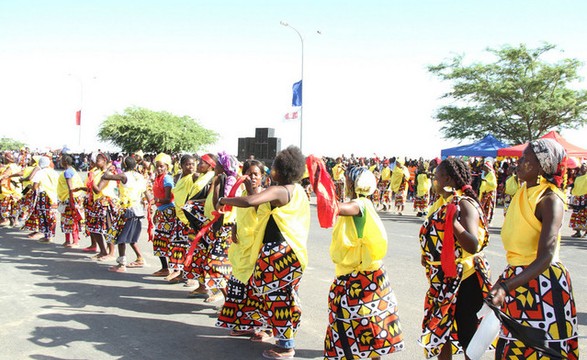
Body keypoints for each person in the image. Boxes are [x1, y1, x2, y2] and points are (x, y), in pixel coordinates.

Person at [488, 139, 579, 359]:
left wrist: (506, 286)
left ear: (542, 166)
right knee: (511, 350)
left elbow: (546, 256)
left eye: (525, 160)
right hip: (518, 281)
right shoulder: (522, 193)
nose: (518, 164)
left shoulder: (550, 200)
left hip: (544, 285)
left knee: (543, 351)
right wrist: (507, 284)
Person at [217, 146, 309, 360]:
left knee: (278, 299)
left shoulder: (281, 190)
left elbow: (250, 202)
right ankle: (270, 332)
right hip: (291, 252)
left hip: (278, 253)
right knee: (276, 296)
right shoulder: (298, 191)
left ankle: (286, 346)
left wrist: (224, 201)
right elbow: (259, 208)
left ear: (279, 170)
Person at [324, 166, 404, 359]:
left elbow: (336, 209)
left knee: (356, 324)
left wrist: (323, 191)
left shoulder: (360, 204)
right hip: (370, 274)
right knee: (371, 323)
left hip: (359, 278)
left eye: (347, 181)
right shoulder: (365, 203)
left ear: (353, 183)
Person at [419, 157, 492, 359]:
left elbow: (472, 244)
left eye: (437, 178)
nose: (434, 182)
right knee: (441, 332)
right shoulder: (442, 203)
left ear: (449, 179)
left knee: (468, 335)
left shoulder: (465, 204)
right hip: (442, 278)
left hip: (465, 278)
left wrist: (454, 223)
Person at [216, 159, 273, 342]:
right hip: (242, 249)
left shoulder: (263, 195)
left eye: (256, 174)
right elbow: (240, 213)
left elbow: (251, 204)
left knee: (260, 291)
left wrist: (227, 198)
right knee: (241, 288)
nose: (253, 177)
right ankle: (245, 325)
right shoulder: (241, 193)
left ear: (262, 177)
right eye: (249, 173)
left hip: (257, 249)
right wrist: (234, 227)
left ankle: (267, 328)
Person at [102, 156, 149, 272]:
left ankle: (122, 264)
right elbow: (146, 193)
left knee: (121, 237)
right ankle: (140, 258)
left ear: (125, 165)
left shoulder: (124, 176)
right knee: (132, 236)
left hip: (127, 209)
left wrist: (108, 167)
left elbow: (105, 176)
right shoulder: (140, 177)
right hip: (137, 210)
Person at [85, 152, 119, 259]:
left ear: (104, 161)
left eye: (98, 160)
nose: (96, 162)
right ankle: (103, 251)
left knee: (108, 228)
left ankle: (111, 252)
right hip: (97, 203)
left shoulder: (108, 173)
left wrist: (91, 180)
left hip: (106, 203)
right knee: (94, 228)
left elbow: (97, 189)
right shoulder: (98, 172)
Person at [24, 156, 59, 243]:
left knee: (44, 216)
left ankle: (47, 236)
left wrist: (30, 187)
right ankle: (50, 235)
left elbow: (35, 186)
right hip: (54, 196)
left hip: (44, 196)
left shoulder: (40, 173)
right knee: (51, 216)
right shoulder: (55, 173)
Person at [151, 153, 176, 277]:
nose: (159, 168)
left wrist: (156, 201)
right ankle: (165, 268)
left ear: (167, 166)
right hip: (162, 211)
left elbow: (168, 198)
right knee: (160, 241)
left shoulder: (167, 179)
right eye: (157, 166)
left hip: (168, 212)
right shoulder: (158, 178)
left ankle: (173, 270)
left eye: (162, 166)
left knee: (167, 240)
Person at [56, 154, 86, 248]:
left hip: (69, 198)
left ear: (64, 161)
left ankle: (74, 241)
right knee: (69, 220)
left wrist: (71, 201)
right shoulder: (73, 170)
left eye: (61, 160)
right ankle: (68, 240)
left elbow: (70, 188)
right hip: (71, 198)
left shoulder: (67, 172)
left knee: (70, 220)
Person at [569, 163, 587, 238]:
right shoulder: (578, 178)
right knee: (577, 215)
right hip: (577, 198)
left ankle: (586, 232)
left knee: (585, 215)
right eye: (582, 167)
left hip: (585, 198)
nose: (583, 168)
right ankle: (578, 231)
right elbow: (575, 187)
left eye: (584, 167)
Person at [478, 158, 497, 224]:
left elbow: (494, 185)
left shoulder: (491, 174)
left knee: (488, 206)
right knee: (484, 206)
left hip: (489, 193)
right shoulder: (487, 174)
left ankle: (487, 219)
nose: (483, 169)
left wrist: (486, 181)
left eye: (484, 167)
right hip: (485, 193)